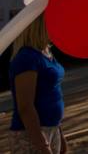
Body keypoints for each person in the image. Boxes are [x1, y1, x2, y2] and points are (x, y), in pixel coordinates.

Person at [8, 19, 66, 154]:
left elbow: (52, 95)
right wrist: (43, 145)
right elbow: (26, 107)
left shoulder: (46, 53)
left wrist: (60, 135)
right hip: (30, 135)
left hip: (51, 130)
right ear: (41, 26)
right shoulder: (26, 58)